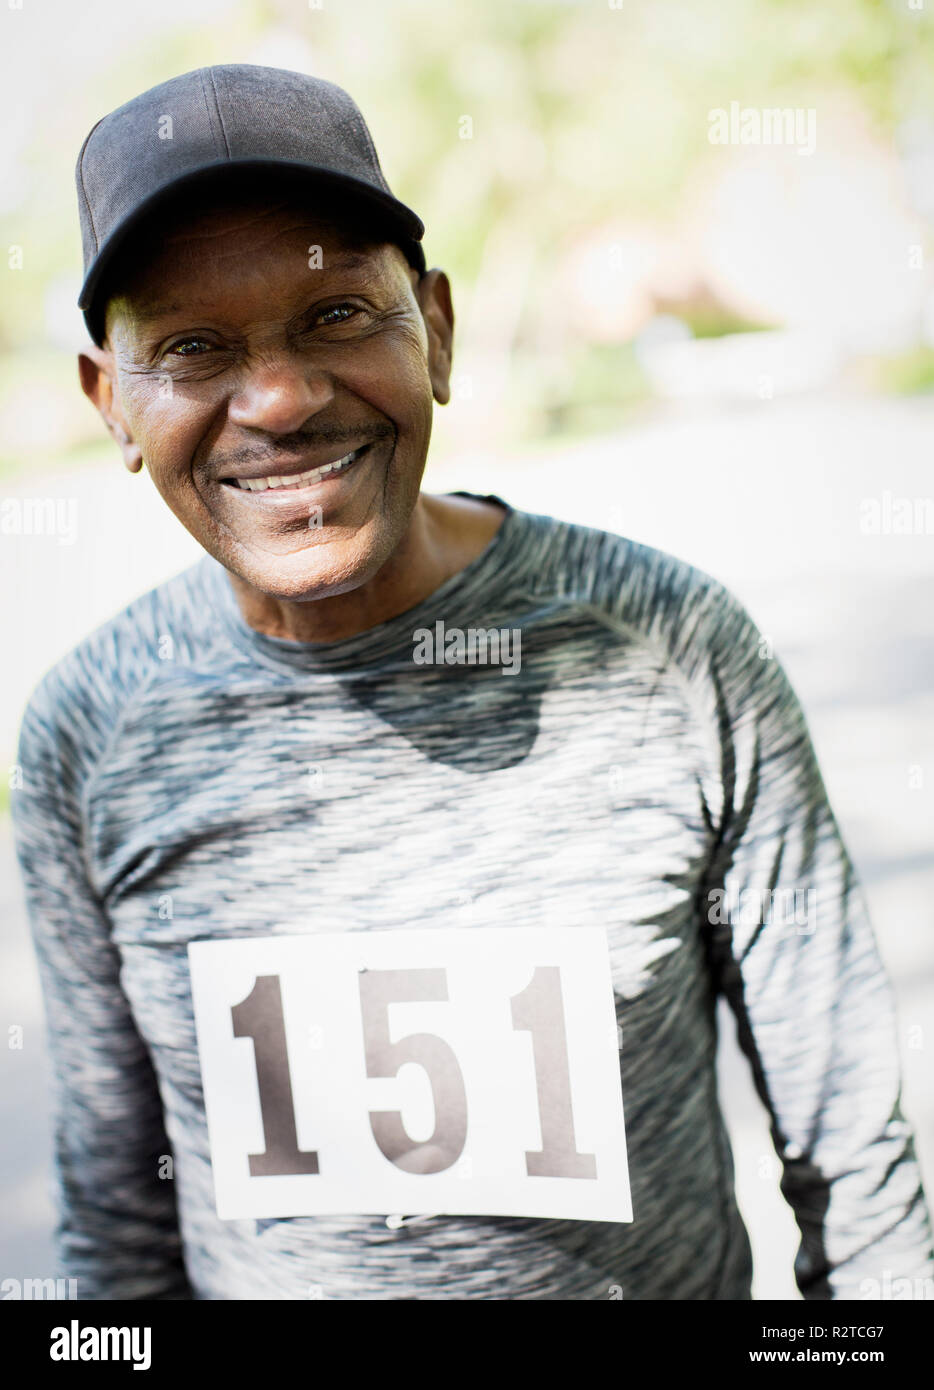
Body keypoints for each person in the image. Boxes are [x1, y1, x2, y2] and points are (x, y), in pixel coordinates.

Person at [12, 63, 933, 1301]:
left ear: (434, 330)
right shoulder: (87, 729)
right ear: (112, 405)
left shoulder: (671, 646)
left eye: (338, 315)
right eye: (190, 347)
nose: (278, 399)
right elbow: (115, 1227)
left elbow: (857, 1171)